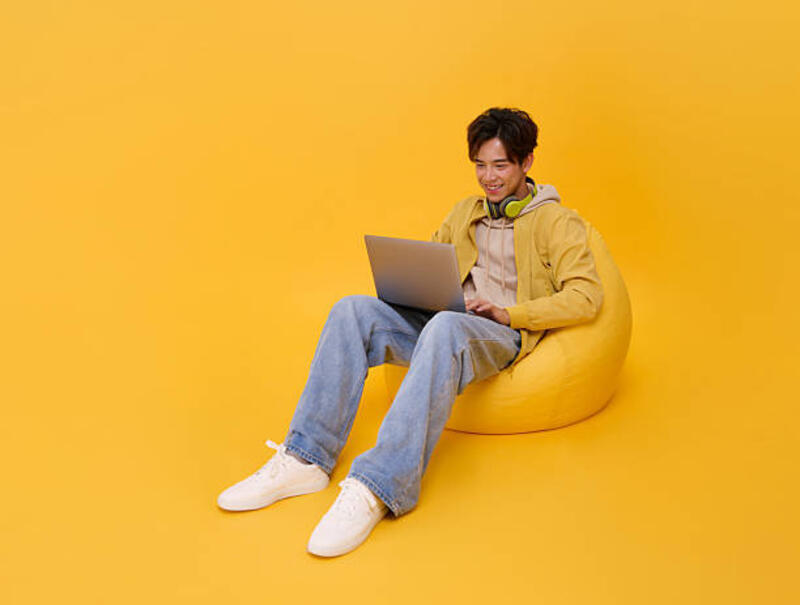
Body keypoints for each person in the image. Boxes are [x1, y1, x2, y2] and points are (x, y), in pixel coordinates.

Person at [217, 107, 604, 557]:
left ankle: (378, 485)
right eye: (480, 165)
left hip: (499, 333)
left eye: (501, 165)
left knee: (445, 327)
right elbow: (434, 265)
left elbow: (585, 297)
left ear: (526, 163)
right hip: (445, 320)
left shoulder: (558, 223)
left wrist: (509, 313)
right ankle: (305, 458)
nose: (489, 177)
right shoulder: (465, 212)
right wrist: (417, 288)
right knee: (352, 310)